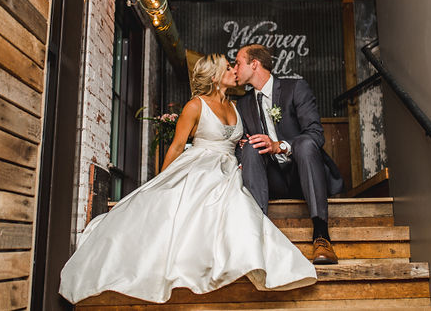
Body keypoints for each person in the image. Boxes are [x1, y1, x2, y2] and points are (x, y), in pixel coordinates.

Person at [59, 54, 316, 304]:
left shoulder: (237, 107)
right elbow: (176, 146)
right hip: (201, 163)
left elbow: (242, 145)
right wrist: (161, 181)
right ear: (215, 76)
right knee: (204, 196)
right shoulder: (195, 105)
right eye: (228, 68)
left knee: (235, 199)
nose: (234, 71)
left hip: (230, 168)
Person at [233, 44, 343, 265]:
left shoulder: (295, 88)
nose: (234, 69)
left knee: (304, 142)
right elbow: (239, 143)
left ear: (254, 64)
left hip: (304, 173)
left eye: (238, 63)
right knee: (250, 148)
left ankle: (321, 236)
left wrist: (279, 146)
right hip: (272, 181)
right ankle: (258, 233)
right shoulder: (243, 104)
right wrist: (244, 146)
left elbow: (316, 135)